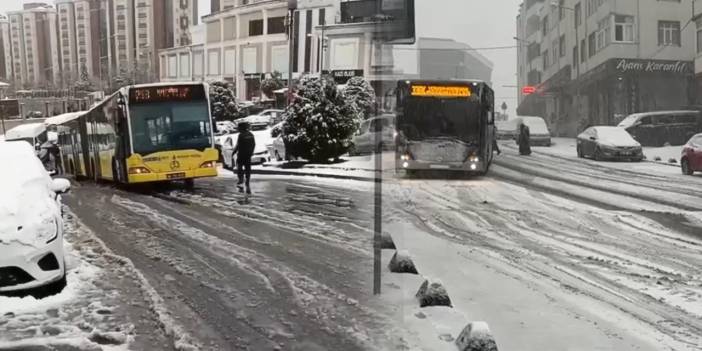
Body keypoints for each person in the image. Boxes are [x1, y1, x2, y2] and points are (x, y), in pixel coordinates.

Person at [232, 122, 255, 192]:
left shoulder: (241, 135)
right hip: (248, 155)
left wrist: (234, 152)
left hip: (241, 155)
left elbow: (238, 145)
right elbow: (253, 144)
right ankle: (247, 180)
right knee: (248, 168)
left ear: (241, 128)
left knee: (239, 168)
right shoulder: (251, 134)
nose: (238, 129)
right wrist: (251, 152)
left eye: (239, 127)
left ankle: (241, 180)